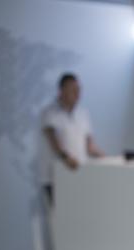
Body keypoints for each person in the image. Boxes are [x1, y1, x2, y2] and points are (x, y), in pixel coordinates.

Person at [41, 73, 104, 204]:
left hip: (79, 176)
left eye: (79, 89)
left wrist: (104, 157)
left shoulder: (83, 114)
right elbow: (53, 141)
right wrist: (66, 158)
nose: (77, 93)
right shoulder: (49, 113)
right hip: (56, 178)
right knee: (58, 218)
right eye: (73, 90)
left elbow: (90, 146)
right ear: (62, 91)